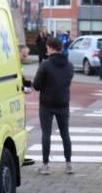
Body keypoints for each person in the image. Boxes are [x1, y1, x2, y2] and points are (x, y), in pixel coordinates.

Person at [32, 37, 74, 175]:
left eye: (47, 46)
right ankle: (68, 164)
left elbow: (37, 86)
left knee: (46, 134)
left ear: (50, 47)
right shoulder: (69, 65)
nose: (46, 48)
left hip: (47, 104)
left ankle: (45, 165)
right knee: (65, 134)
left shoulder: (45, 65)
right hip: (63, 103)